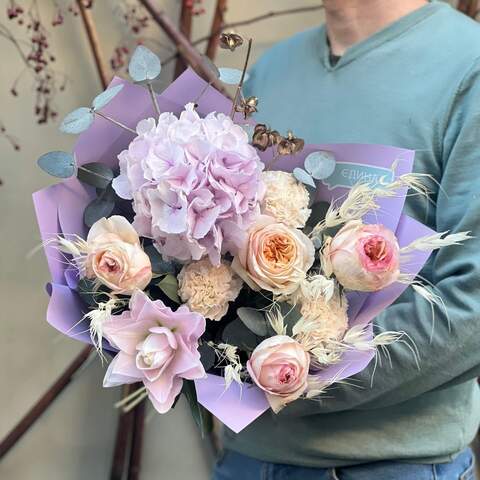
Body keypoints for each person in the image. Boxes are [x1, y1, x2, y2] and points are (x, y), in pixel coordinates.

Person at [213, 1, 480, 479]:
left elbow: (472, 302)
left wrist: (297, 378)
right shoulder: (271, 70)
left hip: (389, 466)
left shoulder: (468, 66)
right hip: (245, 461)